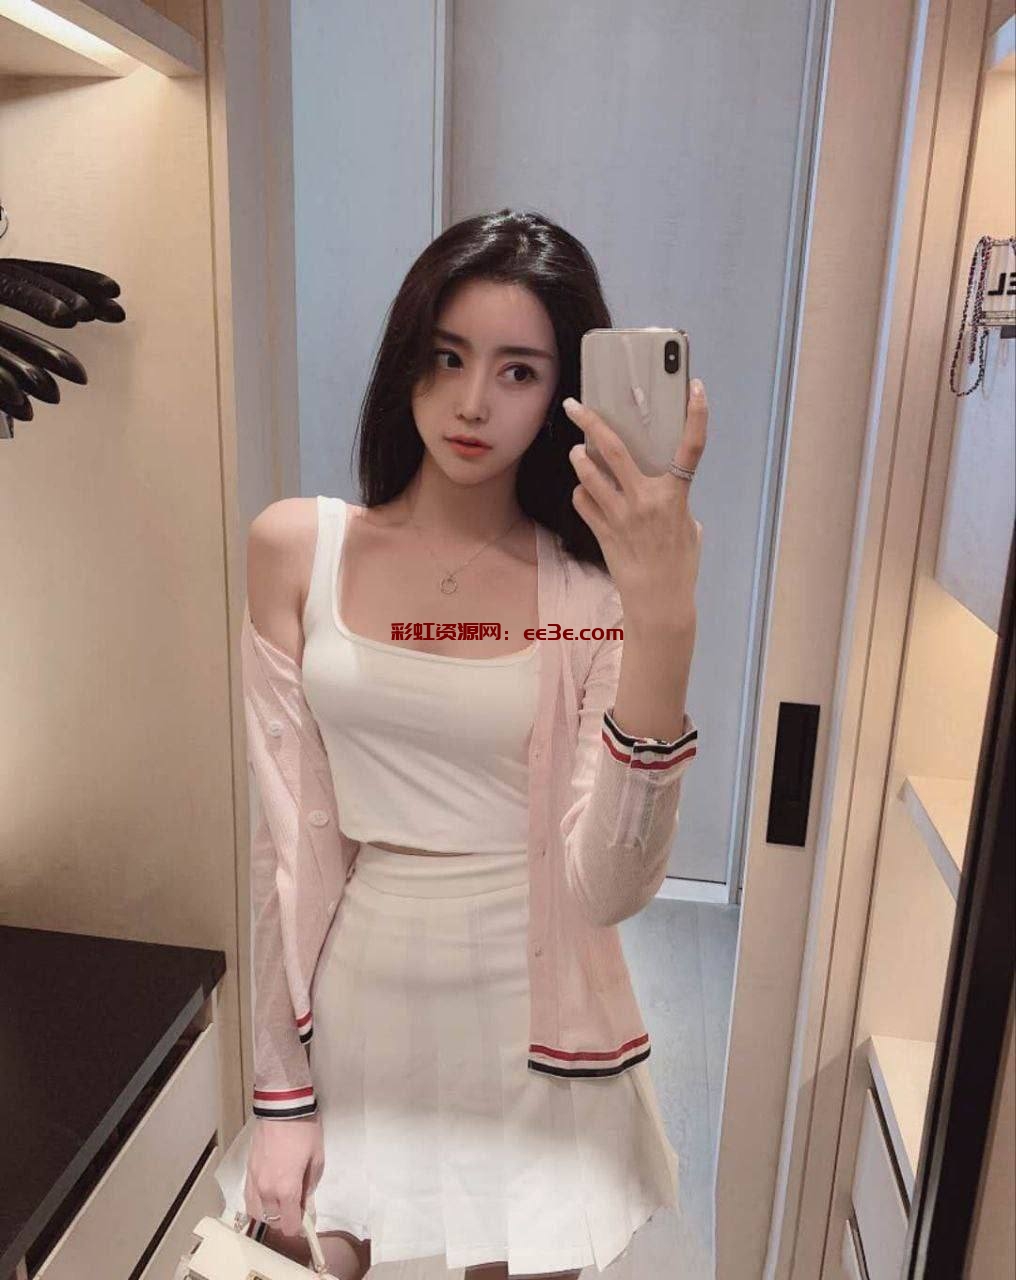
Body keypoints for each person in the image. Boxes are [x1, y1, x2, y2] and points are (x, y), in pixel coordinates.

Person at [215, 208, 706, 1279]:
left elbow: (609, 884)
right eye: (447, 356)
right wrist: (280, 1095)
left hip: (533, 1020)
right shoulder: (296, 548)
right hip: (360, 995)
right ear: (406, 359)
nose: (473, 400)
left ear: (563, 395)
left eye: (518, 370)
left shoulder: (587, 599)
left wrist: (662, 622)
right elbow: (282, 849)